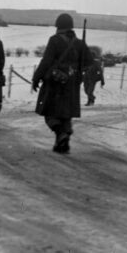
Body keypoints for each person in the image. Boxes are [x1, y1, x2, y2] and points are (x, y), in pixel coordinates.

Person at [31, 13, 93, 153]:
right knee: (66, 113)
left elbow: (46, 61)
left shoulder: (54, 40)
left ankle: (60, 134)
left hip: (55, 82)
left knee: (50, 112)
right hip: (72, 84)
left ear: (58, 26)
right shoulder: (79, 43)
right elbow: (89, 63)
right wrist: (77, 71)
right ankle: (63, 144)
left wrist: (36, 78)